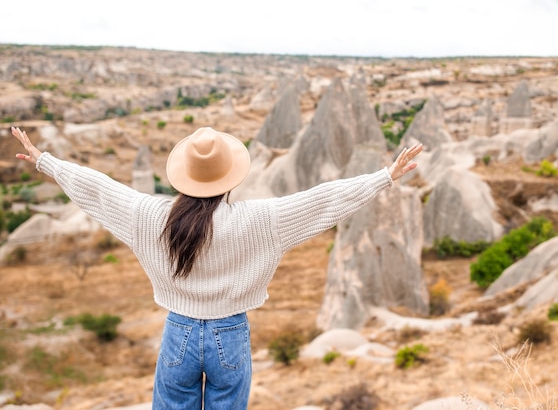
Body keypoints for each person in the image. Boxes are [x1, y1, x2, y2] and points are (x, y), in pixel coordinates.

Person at [11, 125, 423, 410]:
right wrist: (384, 176)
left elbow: (99, 191)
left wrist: (45, 160)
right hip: (231, 333)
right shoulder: (260, 220)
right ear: (230, 179)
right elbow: (322, 201)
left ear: (182, 176)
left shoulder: (150, 216)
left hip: (180, 332)